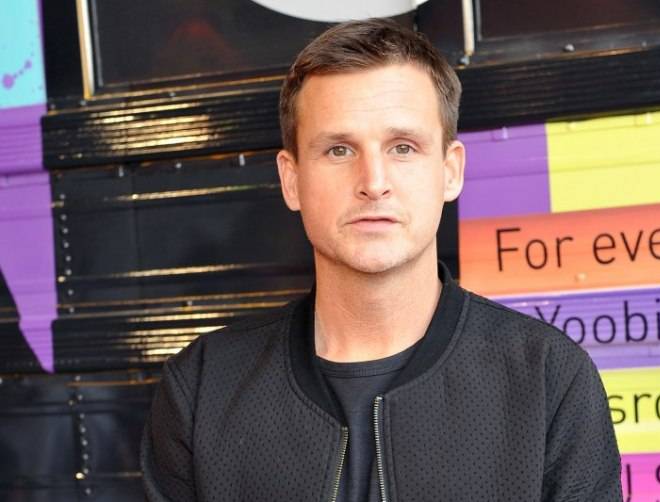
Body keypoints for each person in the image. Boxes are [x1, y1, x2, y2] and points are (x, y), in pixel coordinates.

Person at [141, 18, 622, 501]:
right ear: (292, 180)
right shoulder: (203, 388)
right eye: (339, 149)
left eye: (403, 148)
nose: (373, 182)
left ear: (450, 172)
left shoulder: (548, 380)